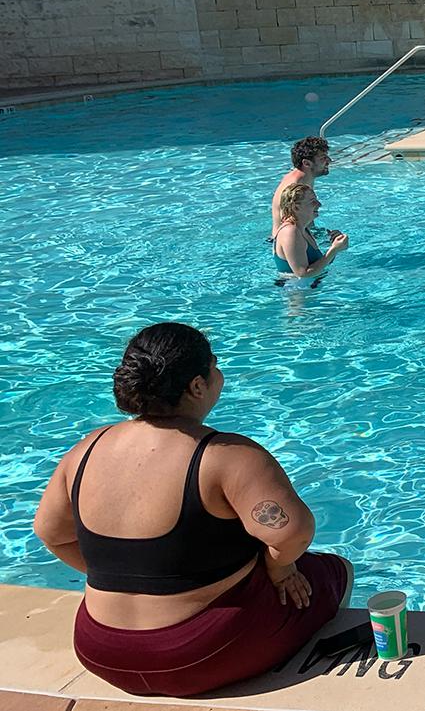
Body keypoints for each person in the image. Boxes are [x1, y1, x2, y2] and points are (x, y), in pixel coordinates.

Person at [31, 323, 353, 697]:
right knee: (332, 571)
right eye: (215, 366)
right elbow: (293, 533)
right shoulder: (226, 456)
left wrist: (132, 575)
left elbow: (50, 533)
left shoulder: (88, 447)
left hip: (99, 651)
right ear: (197, 386)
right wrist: (280, 571)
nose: (220, 375)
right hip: (197, 655)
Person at [273, 183, 347, 282]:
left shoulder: (303, 228)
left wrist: (334, 245)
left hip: (310, 288)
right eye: (313, 202)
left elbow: (319, 264)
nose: (319, 204)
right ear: (296, 207)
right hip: (297, 292)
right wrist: (333, 250)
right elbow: (303, 274)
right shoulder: (290, 232)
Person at [270, 136, 331, 238]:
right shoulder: (294, 188)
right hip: (288, 243)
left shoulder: (305, 178)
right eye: (323, 158)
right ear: (306, 163)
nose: (329, 160)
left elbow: (305, 220)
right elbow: (290, 229)